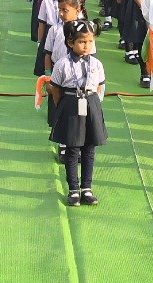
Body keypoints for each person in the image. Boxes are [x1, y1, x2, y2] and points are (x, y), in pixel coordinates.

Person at [46, 19, 107, 206]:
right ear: (70, 43)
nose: (86, 46)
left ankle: (86, 188)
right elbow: (55, 89)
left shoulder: (96, 64)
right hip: (71, 105)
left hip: (91, 104)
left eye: (90, 41)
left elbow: (100, 86)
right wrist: (64, 106)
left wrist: (94, 105)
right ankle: (73, 189)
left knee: (89, 149)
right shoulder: (62, 64)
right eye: (82, 41)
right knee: (72, 149)